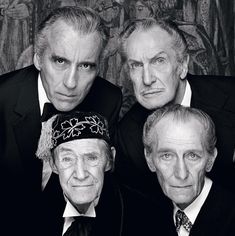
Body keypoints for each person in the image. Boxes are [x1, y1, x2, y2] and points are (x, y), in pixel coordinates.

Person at [0, 6, 122, 235]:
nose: (71, 82)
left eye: (86, 65)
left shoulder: (108, 99)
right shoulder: (2, 100)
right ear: (38, 58)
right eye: (60, 61)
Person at [115, 17, 235, 197]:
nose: (147, 79)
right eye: (137, 65)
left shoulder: (231, 97)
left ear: (183, 65)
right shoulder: (127, 137)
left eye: (159, 61)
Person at [36, 111, 175, 236]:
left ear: (110, 160)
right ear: (53, 164)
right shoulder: (29, 215)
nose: (80, 174)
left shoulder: (150, 218)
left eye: (92, 158)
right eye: (67, 159)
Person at [143, 104, 235, 236]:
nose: (181, 174)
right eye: (167, 156)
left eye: (193, 156)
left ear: (210, 160)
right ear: (149, 159)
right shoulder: (142, 214)